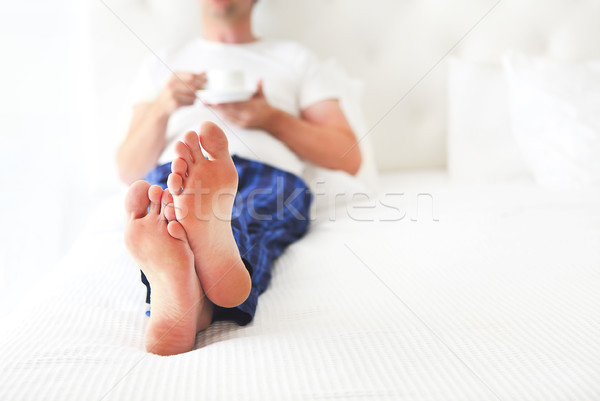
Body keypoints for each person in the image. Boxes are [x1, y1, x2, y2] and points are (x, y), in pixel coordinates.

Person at [116, 0, 361, 356]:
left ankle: (187, 293)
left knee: (219, 213)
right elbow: (127, 168)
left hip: (270, 171)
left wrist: (271, 118)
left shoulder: (294, 58)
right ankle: (202, 293)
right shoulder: (162, 63)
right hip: (179, 169)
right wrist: (163, 105)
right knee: (204, 212)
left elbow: (349, 155)